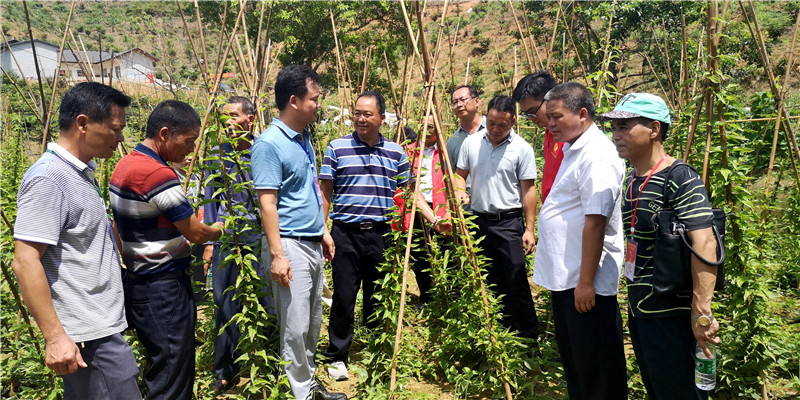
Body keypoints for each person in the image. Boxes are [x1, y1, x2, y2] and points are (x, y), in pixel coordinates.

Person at [11, 82, 142, 400]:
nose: (121, 137)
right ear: (83, 123)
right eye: (115, 128)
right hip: (89, 335)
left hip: (99, 328)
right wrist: (55, 337)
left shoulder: (81, 171)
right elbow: (25, 260)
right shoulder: (50, 179)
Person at [601, 93, 719, 399]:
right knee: (658, 388)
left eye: (625, 126)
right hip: (641, 309)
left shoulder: (680, 178)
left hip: (672, 314)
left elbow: (704, 242)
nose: (616, 135)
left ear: (654, 129)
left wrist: (701, 312)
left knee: (680, 391)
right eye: (614, 127)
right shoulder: (632, 180)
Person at [320, 91, 444, 381]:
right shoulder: (337, 148)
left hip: (382, 233)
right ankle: (338, 354)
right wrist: (322, 229)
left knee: (378, 294)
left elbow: (411, 192)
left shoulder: (396, 153)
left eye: (368, 114)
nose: (361, 119)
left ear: (382, 118)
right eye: (357, 113)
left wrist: (434, 218)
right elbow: (325, 192)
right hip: (345, 233)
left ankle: (377, 349)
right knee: (344, 295)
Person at [110, 100, 223, 400]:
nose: (191, 148)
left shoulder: (125, 164)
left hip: (142, 284)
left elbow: (115, 227)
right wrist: (222, 227)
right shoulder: (156, 173)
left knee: (161, 365)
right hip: (164, 288)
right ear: (164, 134)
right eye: (188, 141)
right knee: (172, 372)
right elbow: (196, 232)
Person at [251, 65, 346, 400]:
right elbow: (268, 205)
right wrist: (277, 255)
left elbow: (304, 193)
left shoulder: (304, 138)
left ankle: (307, 385)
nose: (318, 105)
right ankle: (300, 394)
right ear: (294, 100)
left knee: (311, 323)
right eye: (314, 99)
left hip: (310, 242)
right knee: (294, 326)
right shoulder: (269, 144)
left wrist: (322, 231)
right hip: (288, 245)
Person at [532, 82, 628, 400]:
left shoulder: (598, 156)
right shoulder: (576, 149)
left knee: (597, 369)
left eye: (557, 117)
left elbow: (596, 221)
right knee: (578, 365)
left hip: (585, 283)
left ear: (583, 114)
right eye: (549, 117)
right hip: (569, 279)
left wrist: (586, 282)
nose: (550, 124)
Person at [203, 96, 275, 392]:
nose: (227, 122)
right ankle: (225, 369)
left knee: (268, 305)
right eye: (223, 117)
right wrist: (209, 242)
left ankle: (268, 361)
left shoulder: (264, 152)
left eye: (233, 115)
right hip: (227, 240)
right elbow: (210, 202)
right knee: (225, 305)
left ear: (251, 118)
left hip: (260, 240)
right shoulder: (217, 156)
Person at [454, 95, 540, 341]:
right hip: (479, 221)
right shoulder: (471, 143)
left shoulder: (521, 148)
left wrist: (529, 229)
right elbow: (459, 175)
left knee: (516, 279)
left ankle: (527, 336)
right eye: (491, 123)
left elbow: (528, 190)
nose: (495, 129)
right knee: (488, 277)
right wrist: (460, 191)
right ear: (486, 116)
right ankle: (499, 332)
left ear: (513, 121)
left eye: (502, 125)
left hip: (509, 222)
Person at [392, 118, 453, 307]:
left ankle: (453, 296)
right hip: (415, 206)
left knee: (450, 252)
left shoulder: (445, 150)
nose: (427, 130)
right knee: (420, 255)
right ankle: (426, 297)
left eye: (432, 126)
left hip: (442, 206)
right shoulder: (408, 150)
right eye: (423, 125)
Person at [512, 71, 564, 203]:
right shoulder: (549, 131)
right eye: (526, 115)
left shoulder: (569, 137)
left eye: (532, 112)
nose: (530, 119)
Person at [446, 85, 485, 208]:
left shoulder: (494, 132)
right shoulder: (453, 141)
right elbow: (451, 177)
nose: (459, 105)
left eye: (463, 100)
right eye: (455, 102)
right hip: (467, 211)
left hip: (494, 209)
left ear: (477, 101)